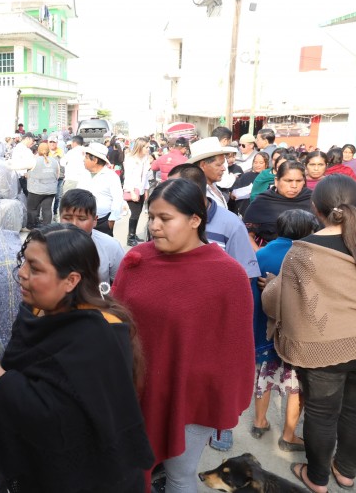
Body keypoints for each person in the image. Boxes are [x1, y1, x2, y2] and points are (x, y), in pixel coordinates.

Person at [0, 223, 154, 492]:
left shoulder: (100, 336)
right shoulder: (38, 311)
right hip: (39, 468)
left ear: (71, 280)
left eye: (35, 268)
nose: (22, 273)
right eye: (24, 261)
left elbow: (58, 420)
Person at [112, 178, 254, 492]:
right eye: (151, 217)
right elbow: (115, 321)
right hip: (134, 389)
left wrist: (223, 399)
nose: (154, 226)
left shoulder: (228, 274)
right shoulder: (137, 259)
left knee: (179, 474)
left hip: (190, 398)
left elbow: (237, 351)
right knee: (127, 468)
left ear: (194, 220)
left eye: (165, 218)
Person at [262, 174, 356, 493]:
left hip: (324, 347)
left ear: (315, 208)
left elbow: (276, 301)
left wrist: (271, 284)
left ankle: (317, 477)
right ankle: (346, 473)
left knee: (322, 413)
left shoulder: (303, 251)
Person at [250, 209, 319, 453]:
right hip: (293, 334)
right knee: (295, 384)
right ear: (307, 231)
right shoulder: (306, 257)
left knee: (264, 376)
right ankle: (288, 435)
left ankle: (259, 422)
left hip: (264, 331)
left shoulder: (261, 253)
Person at [59, 188, 124, 284]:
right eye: (67, 218)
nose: (74, 224)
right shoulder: (45, 245)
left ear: (94, 220)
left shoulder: (111, 246)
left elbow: (121, 284)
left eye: (81, 219)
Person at [244, 160, 312, 250]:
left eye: (299, 181)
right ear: (276, 181)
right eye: (288, 181)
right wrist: (259, 253)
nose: (294, 185)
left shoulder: (312, 200)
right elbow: (247, 234)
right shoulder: (262, 202)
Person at [78, 142, 124, 236]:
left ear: (94, 160)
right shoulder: (84, 174)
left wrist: (111, 220)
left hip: (103, 221)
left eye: (86, 157)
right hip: (83, 220)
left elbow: (118, 199)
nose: (83, 160)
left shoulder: (111, 176)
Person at [187, 136, 236, 208]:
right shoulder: (196, 193)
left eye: (223, 164)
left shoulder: (213, 185)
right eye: (218, 165)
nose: (224, 168)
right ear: (203, 165)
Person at [122, 137, 152, 246]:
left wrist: (146, 189)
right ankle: (130, 238)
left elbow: (146, 177)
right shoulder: (130, 159)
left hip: (141, 190)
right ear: (140, 147)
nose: (148, 149)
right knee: (134, 214)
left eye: (148, 147)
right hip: (132, 190)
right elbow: (128, 177)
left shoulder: (145, 159)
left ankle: (133, 234)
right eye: (146, 147)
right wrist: (132, 192)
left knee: (138, 213)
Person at [26, 142, 59, 228]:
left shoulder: (34, 161)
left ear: (38, 150)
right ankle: (47, 228)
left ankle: (31, 226)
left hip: (36, 190)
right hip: (50, 190)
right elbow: (57, 175)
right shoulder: (55, 161)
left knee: (32, 208)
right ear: (48, 151)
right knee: (47, 209)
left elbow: (21, 168)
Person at [231, 151, 269, 216]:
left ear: (266, 164)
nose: (257, 165)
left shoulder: (269, 178)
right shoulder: (246, 176)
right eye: (255, 162)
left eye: (261, 163)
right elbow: (234, 194)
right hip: (244, 212)